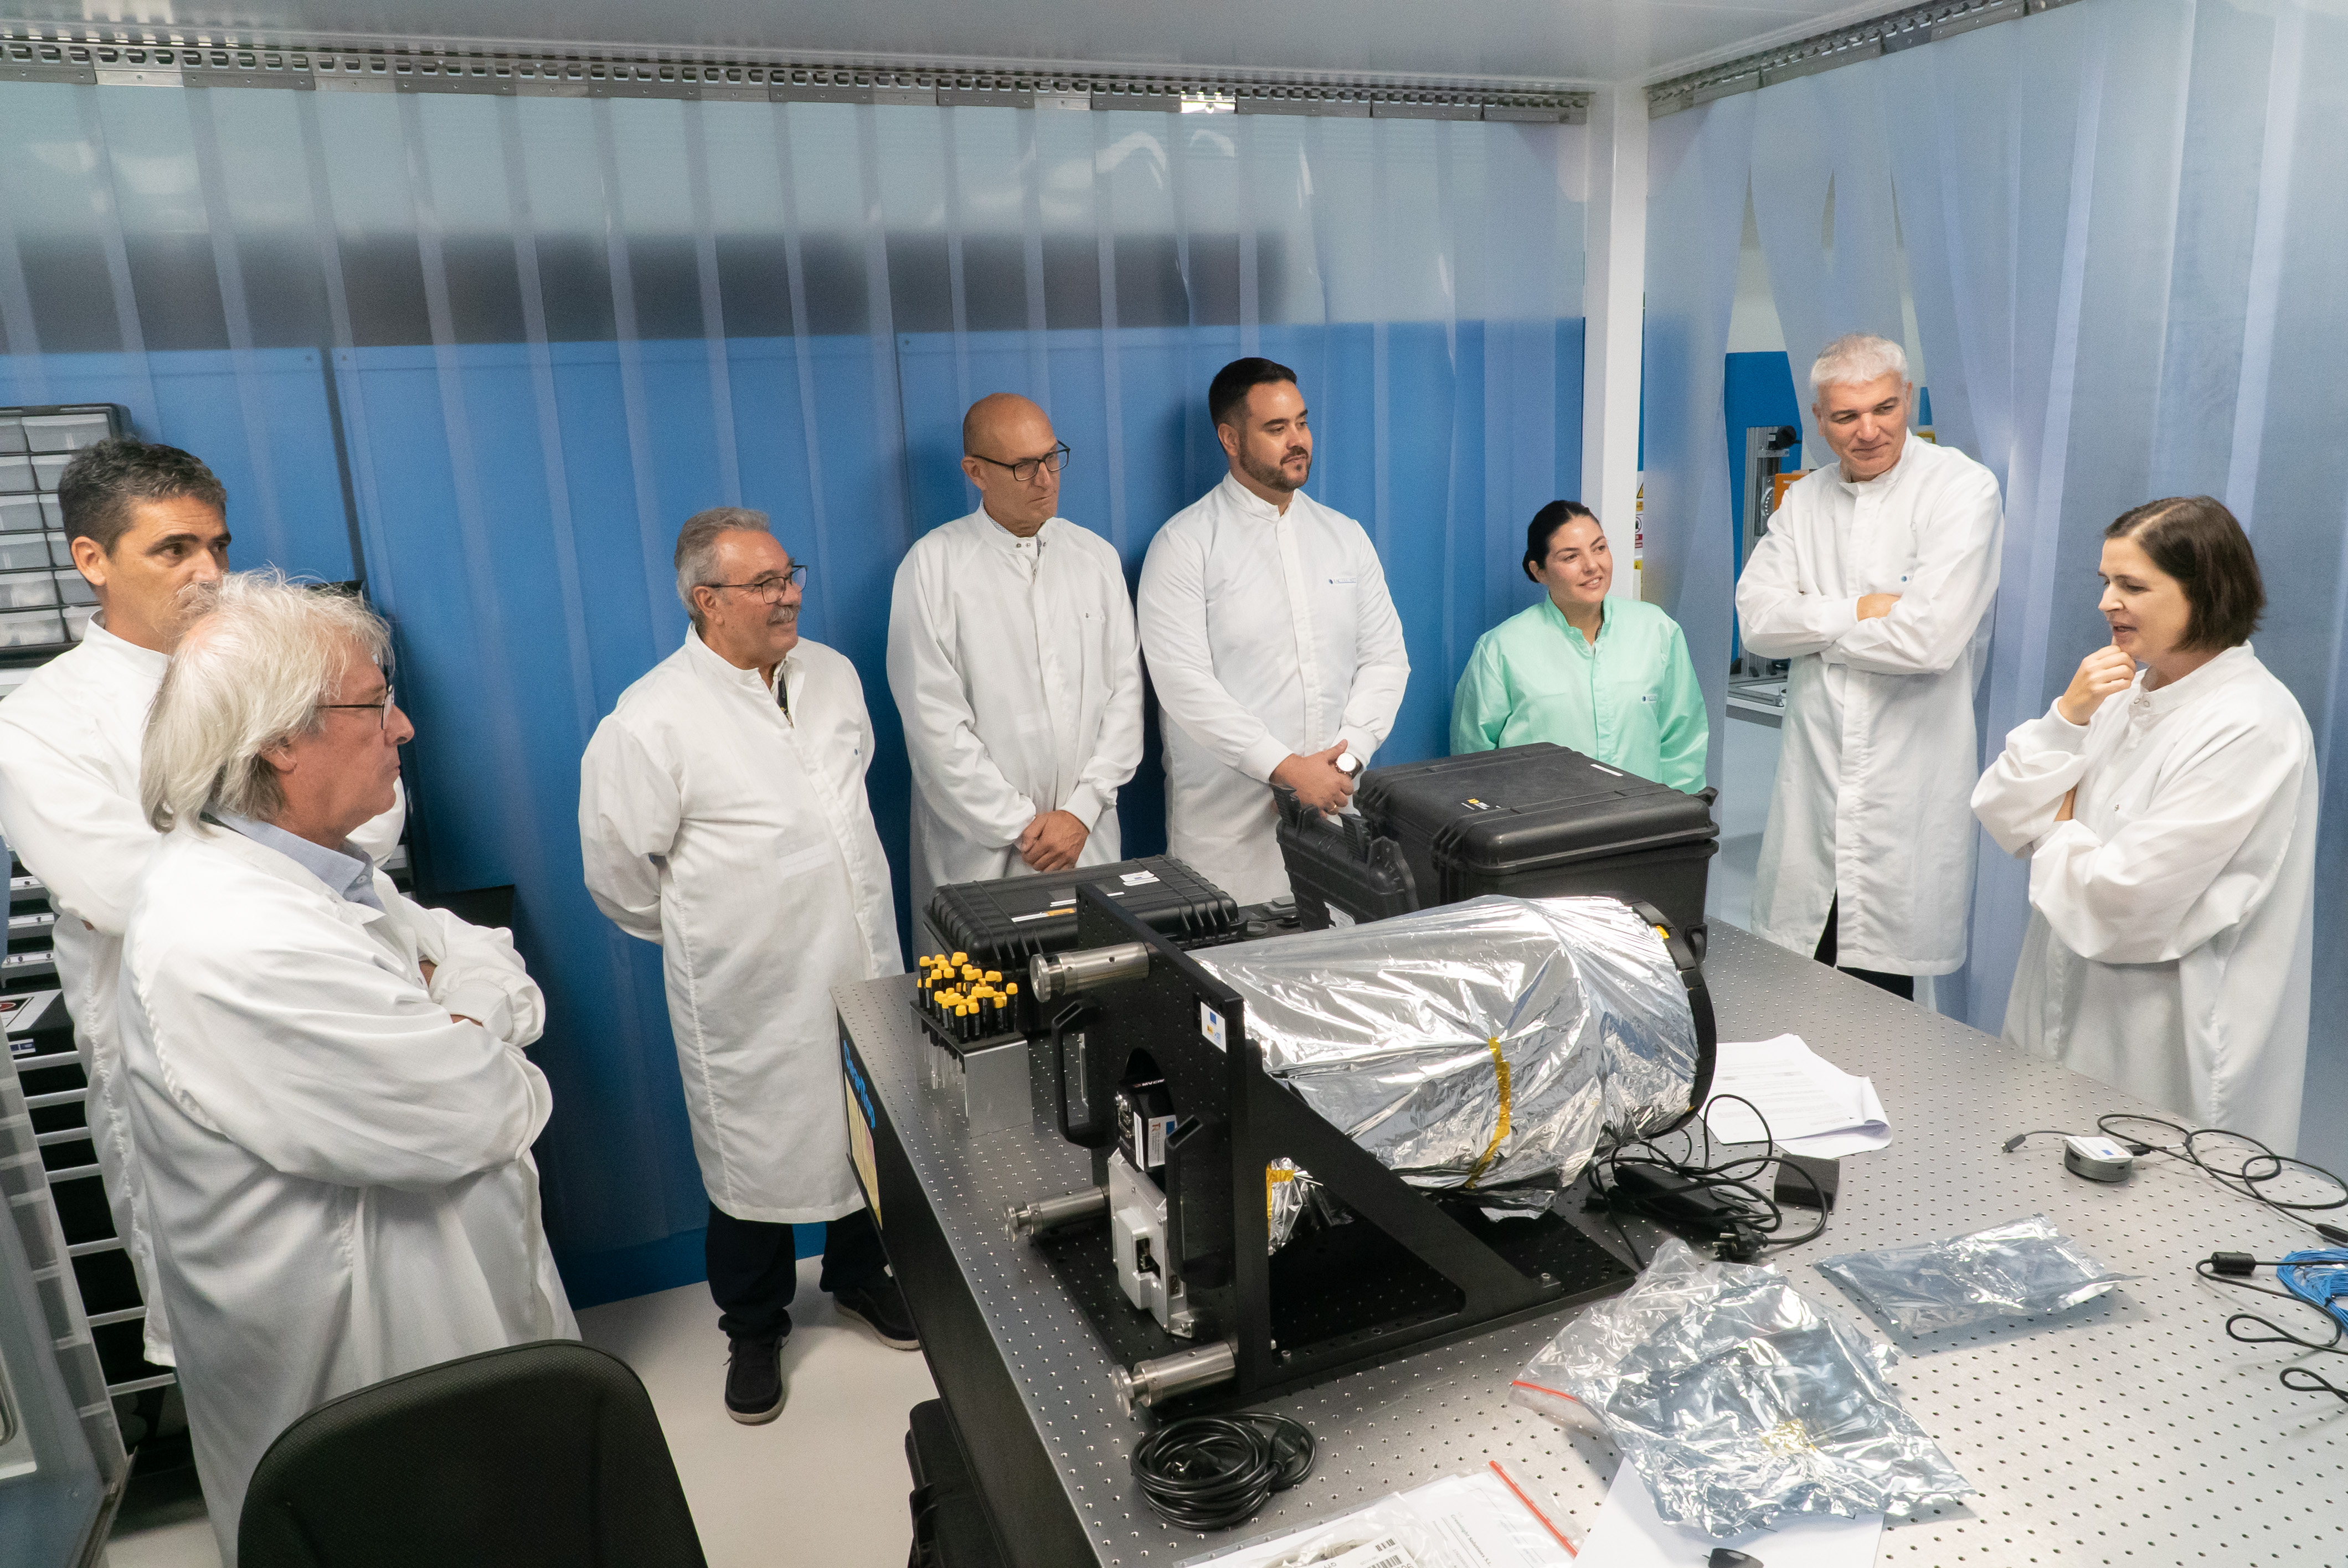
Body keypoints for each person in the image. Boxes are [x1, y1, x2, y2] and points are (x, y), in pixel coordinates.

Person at [117, 572, 569, 1565]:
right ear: (282, 737)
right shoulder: (232, 937)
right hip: (363, 1381)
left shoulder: (322, 869)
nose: (403, 727)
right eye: (375, 704)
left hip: (443, 1340)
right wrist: (471, 1032)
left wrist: (462, 1011)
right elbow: (479, 1107)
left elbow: (489, 958)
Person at [0, 439, 403, 1374]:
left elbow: (372, 812)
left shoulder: (282, 670)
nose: (210, 573)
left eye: (218, 545)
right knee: (250, 1342)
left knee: (382, 1300)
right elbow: (120, 889)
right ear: (92, 560)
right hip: (181, 1050)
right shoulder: (42, 723)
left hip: (337, 1008)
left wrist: (281, 850)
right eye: (173, 550)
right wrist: (304, 844)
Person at [579, 507, 916, 1427]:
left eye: (789, 574)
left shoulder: (833, 676)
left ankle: (858, 1276)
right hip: (748, 987)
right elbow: (617, 874)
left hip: (862, 959)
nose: (789, 594)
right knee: (756, 1155)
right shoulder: (652, 719)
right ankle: (755, 1324)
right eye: (763, 584)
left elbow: (848, 793)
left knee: (862, 1123)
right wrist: (709, 937)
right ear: (705, 600)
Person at [1971, 498, 2314, 1151]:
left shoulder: (2250, 723)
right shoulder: (2125, 692)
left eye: (2131, 585)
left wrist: (2055, 828)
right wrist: (2067, 718)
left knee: (2151, 1229)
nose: (2106, 602)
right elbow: (2000, 809)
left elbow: (2121, 898)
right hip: (2069, 1010)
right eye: (2104, 581)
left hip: (2162, 1043)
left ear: (2205, 592)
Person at [1734, 333, 2003, 999]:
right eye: (1847, 416)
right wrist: (1863, 609)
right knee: (1796, 982)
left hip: (1904, 792)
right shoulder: (1805, 502)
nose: (1869, 431)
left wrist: (1816, 625)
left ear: (1908, 398)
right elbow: (1758, 625)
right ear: (1820, 420)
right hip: (1815, 783)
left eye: (1884, 408)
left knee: (1880, 1000)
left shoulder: (1960, 490)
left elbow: (1928, 642)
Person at [1136, 358, 1409, 902]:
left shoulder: (1343, 536)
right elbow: (1183, 684)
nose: (1298, 441)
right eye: (1276, 429)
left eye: (1302, 423)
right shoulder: (1185, 545)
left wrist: (1344, 764)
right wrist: (1284, 770)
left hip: (1334, 809)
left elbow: (1385, 660)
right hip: (1227, 831)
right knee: (1226, 976)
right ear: (1230, 439)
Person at [887, 393, 1144, 915]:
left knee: (1097, 979)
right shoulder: (933, 567)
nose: (1046, 479)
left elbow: (1125, 695)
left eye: (1052, 457)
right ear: (976, 471)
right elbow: (934, 726)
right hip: (981, 848)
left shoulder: (1094, 557)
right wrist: (1021, 827)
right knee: (986, 989)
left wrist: (1082, 809)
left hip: (1085, 835)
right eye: (1024, 467)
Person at [1450, 500, 1708, 791]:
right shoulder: (1501, 649)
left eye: (1599, 548)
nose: (1592, 566)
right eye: (1571, 557)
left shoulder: (1657, 630)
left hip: (1643, 824)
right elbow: (1473, 763)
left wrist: (1681, 819)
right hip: (1541, 829)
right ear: (1539, 571)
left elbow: (1683, 740)